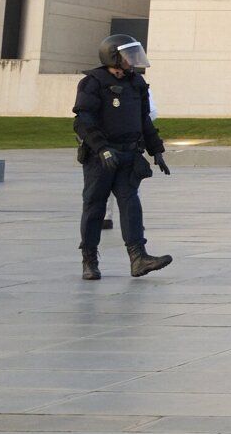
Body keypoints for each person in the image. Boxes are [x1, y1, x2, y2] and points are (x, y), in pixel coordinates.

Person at [73, 34, 172, 280]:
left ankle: (139, 258)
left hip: (129, 155)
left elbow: (143, 120)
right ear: (113, 56)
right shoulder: (92, 83)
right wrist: (101, 148)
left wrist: (156, 150)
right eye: (128, 55)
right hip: (102, 157)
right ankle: (89, 259)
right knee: (95, 206)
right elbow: (83, 122)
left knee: (131, 205)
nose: (133, 61)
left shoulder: (135, 83)